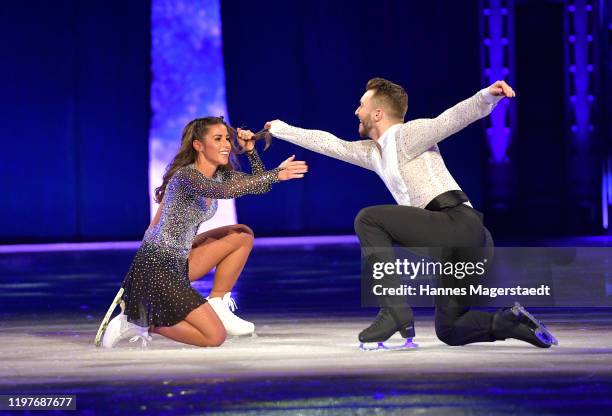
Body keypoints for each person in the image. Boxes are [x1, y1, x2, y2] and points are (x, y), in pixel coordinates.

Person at [265, 78, 558, 349]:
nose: (356, 112)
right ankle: (511, 322)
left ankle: (394, 309)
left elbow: (451, 119)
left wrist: (486, 97)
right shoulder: (372, 152)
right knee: (451, 329)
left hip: (456, 224)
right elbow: (328, 143)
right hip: (462, 244)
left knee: (369, 219)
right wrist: (276, 128)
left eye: (361, 105)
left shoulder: (407, 134)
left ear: (377, 114)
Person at [94, 116, 308, 348]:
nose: (227, 144)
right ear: (198, 145)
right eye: (218, 139)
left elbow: (260, 185)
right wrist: (276, 173)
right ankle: (141, 323)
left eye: (227, 138)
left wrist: (250, 152)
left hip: (181, 261)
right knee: (214, 337)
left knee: (242, 235)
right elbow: (225, 191)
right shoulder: (187, 176)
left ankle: (217, 302)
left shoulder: (218, 175)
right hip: (157, 267)